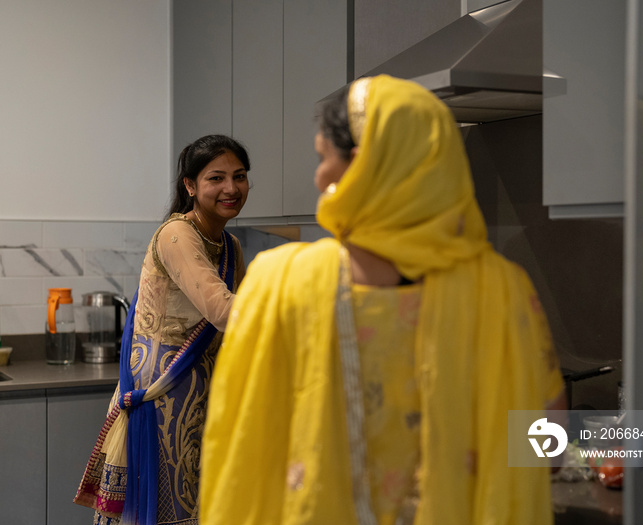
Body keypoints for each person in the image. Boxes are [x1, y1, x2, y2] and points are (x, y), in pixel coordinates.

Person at [200, 76, 566, 524]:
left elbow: (242, 445)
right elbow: (546, 444)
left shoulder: (282, 281)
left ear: (363, 165)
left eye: (322, 158)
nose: (318, 176)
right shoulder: (501, 289)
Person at [74, 134, 250, 524]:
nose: (231, 188)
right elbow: (225, 311)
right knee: (169, 506)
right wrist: (303, 300)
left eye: (239, 176)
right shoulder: (177, 235)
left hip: (202, 392)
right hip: (165, 394)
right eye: (216, 178)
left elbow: (245, 322)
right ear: (190, 185)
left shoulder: (230, 244)